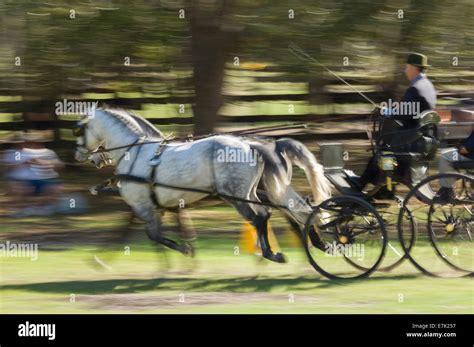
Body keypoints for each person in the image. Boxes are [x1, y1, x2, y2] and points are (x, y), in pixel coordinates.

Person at [354, 53, 437, 190]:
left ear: (413, 68)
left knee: (382, 151)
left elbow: (401, 114)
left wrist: (385, 111)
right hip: (423, 140)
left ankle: (364, 184)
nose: (405, 70)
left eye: (406, 67)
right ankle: (385, 187)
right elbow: (409, 111)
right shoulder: (428, 86)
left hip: (411, 141)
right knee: (385, 147)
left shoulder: (415, 88)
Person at [436, 130, 474, 202]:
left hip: (470, 157)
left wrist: (458, 145)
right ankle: (449, 182)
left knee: (444, 156)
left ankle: (447, 191)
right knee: (448, 152)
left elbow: (464, 150)